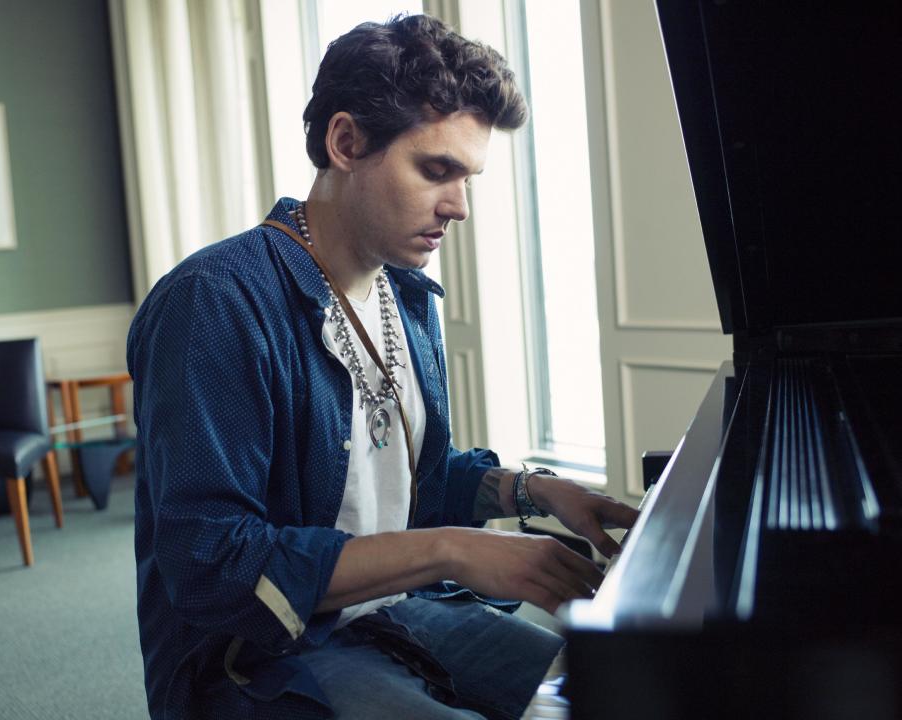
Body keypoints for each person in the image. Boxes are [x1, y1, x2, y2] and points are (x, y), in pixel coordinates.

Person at [127, 13, 638, 720]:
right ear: (346, 142)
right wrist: (447, 552)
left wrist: (532, 492)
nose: (459, 205)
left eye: (469, 177)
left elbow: (397, 483)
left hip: (396, 613)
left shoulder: (405, 293)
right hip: (262, 653)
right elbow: (211, 564)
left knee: (624, 687)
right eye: (437, 170)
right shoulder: (215, 302)